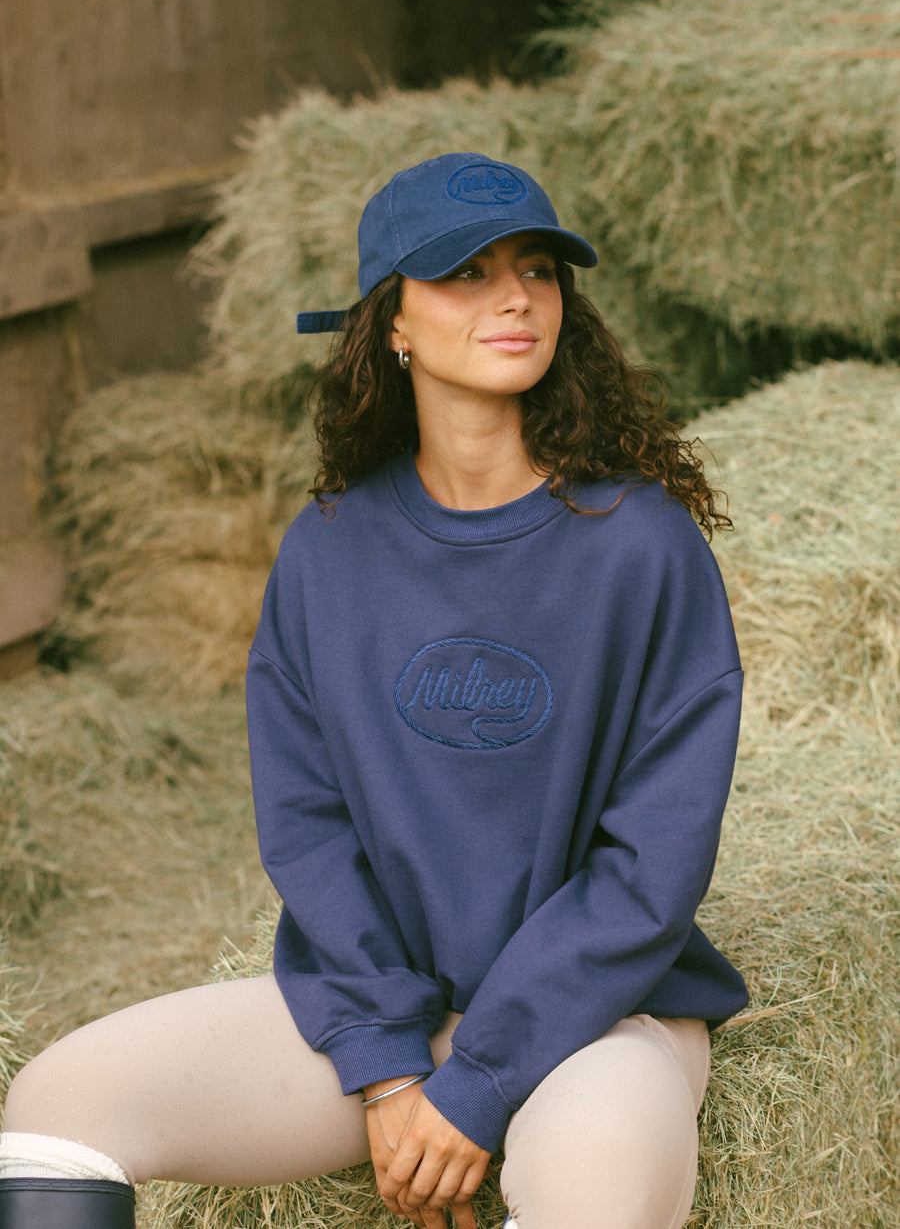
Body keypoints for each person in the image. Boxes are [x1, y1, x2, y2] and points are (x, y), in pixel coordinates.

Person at [0, 152, 748, 1229]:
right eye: (467, 273)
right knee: (57, 1101)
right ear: (391, 322)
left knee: (589, 1186)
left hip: (596, 1021)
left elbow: (653, 865)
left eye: (537, 270)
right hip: (393, 1015)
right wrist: (393, 1072)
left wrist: (481, 1083)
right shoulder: (328, 549)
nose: (515, 297)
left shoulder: (643, 549)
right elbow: (308, 831)